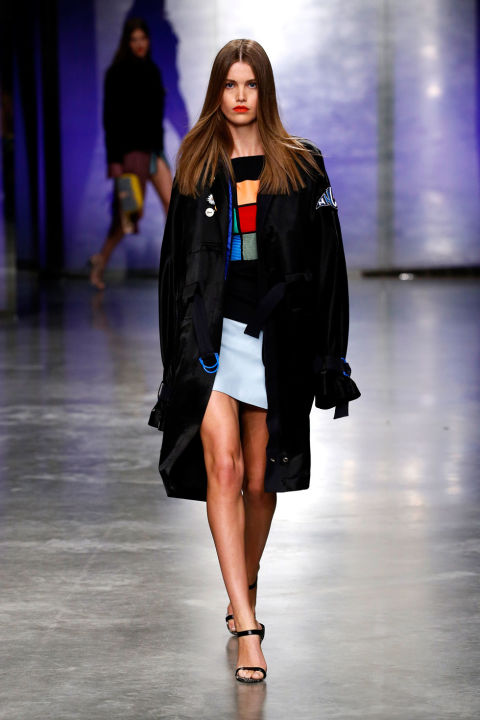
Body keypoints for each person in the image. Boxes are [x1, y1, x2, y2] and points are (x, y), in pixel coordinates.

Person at [149, 39, 361, 683]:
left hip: (277, 342)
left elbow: (328, 266)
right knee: (225, 465)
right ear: (217, 91)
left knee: (262, 482)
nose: (240, 96)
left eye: (251, 84)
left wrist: (331, 358)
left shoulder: (301, 165)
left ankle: (245, 581)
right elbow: (174, 268)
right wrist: (174, 365)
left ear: (264, 91)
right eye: (229, 84)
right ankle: (247, 625)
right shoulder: (196, 162)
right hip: (212, 339)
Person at [89, 17, 172, 290]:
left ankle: (178, 267)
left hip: (154, 151)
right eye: (134, 39)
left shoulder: (153, 70)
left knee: (174, 206)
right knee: (128, 216)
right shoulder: (117, 73)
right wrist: (114, 161)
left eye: (143, 38)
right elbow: (110, 120)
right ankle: (100, 261)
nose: (139, 44)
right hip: (130, 154)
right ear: (127, 42)